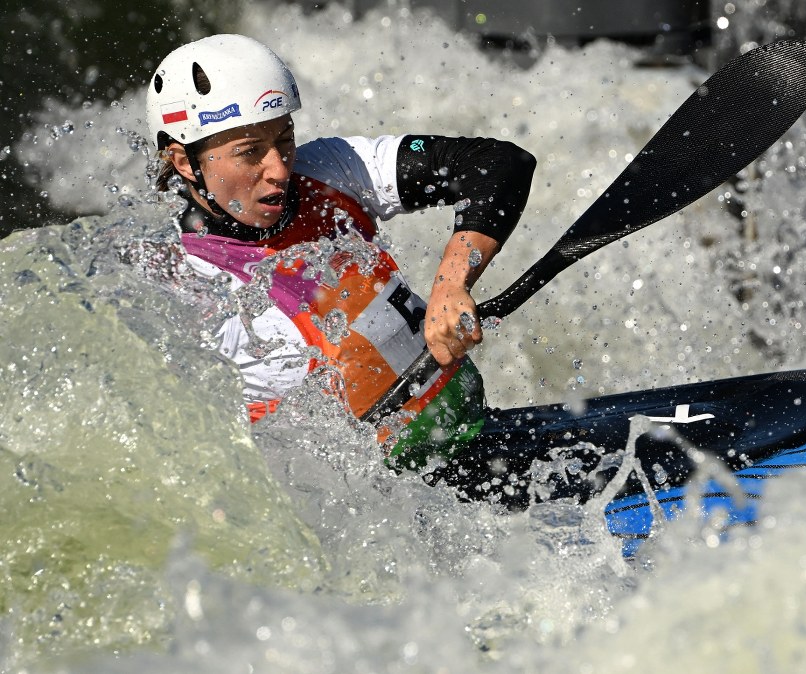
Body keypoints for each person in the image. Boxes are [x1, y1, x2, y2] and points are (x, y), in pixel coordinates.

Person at [145, 34, 536, 467]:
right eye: (250, 152)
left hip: (471, 436)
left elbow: (499, 163)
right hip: (384, 495)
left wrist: (452, 281)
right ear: (185, 162)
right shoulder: (186, 285)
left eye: (284, 139)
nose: (279, 170)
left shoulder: (328, 168)